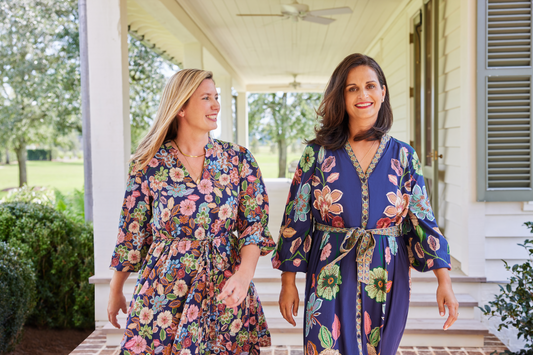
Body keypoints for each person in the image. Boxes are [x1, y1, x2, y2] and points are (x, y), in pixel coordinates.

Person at [271, 54, 458, 355]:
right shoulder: (316, 155)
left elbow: (422, 219)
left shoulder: (404, 157)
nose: (363, 95)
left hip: (386, 272)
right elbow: (296, 218)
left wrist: (444, 281)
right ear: (340, 96)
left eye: (370, 86)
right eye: (352, 88)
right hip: (329, 268)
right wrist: (288, 282)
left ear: (383, 92)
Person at [107, 69, 276, 355]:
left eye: (216, 97)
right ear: (181, 107)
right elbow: (132, 230)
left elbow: (254, 225)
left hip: (223, 284)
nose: (216, 105)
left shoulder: (238, 159)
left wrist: (244, 275)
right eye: (206, 98)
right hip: (164, 290)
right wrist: (115, 289)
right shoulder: (148, 163)